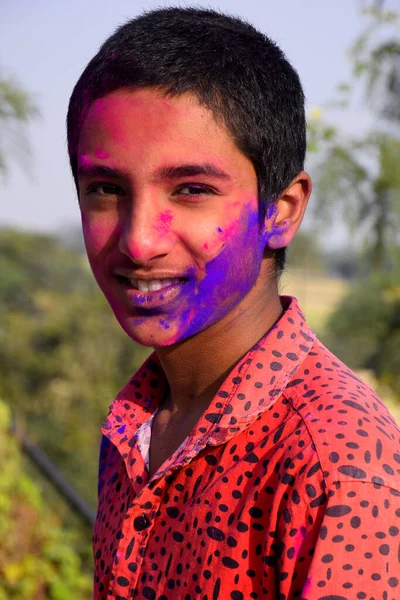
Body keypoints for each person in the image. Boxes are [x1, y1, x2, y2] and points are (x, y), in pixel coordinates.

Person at [67, 7, 400, 600]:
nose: (140, 240)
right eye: (106, 190)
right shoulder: (136, 427)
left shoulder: (334, 460)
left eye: (192, 190)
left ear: (282, 210)